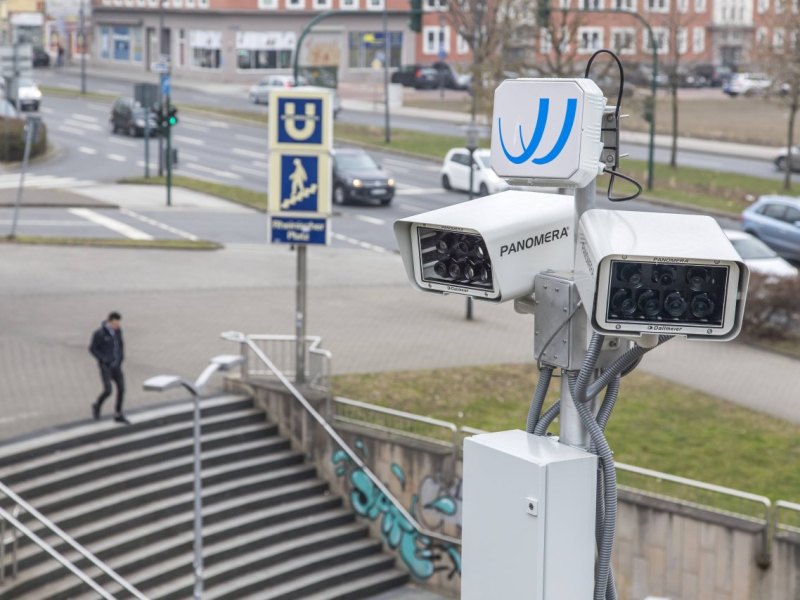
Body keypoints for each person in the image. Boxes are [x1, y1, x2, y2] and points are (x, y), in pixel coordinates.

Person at [89, 312, 129, 424]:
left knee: (121, 389)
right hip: (106, 367)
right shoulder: (100, 334)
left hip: (117, 366)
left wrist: (121, 358)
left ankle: (118, 413)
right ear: (110, 321)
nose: (118, 325)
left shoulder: (118, 331)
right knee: (108, 390)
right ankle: (97, 405)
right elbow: (92, 348)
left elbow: (120, 345)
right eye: (116, 323)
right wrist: (102, 359)